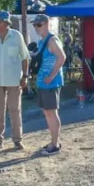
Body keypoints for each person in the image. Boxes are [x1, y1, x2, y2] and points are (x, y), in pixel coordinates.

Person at [0, 11, 31, 151]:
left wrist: (25, 76)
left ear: (7, 23)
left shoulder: (16, 36)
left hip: (14, 79)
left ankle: (17, 139)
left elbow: (25, 57)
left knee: (15, 109)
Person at [34, 14, 66, 156]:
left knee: (52, 113)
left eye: (39, 24)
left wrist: (51, 76)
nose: (36, 27)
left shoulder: (52, 39)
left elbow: (62, 57)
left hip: (51, 83)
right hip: (44, 82)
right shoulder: (43, 41)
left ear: (47, 24)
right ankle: (54, 142)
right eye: (35, 25)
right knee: (47, 112)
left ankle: (55, 144)